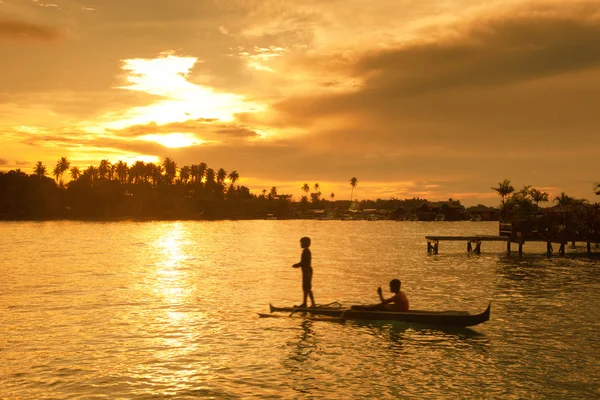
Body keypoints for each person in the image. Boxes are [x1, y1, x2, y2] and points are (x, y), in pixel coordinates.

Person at [292, 236, 316, 308]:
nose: (300, 244)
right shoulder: (305, 251)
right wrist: (299, 265)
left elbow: (304, 262)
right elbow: (303, 262)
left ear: (305, 243)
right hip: (305, 271)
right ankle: (304, 304)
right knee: (305, 288)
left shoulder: (306, 251)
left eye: (301, 243)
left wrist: (297, 265)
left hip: (307, 271)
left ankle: (313, 304)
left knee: (307, 288)